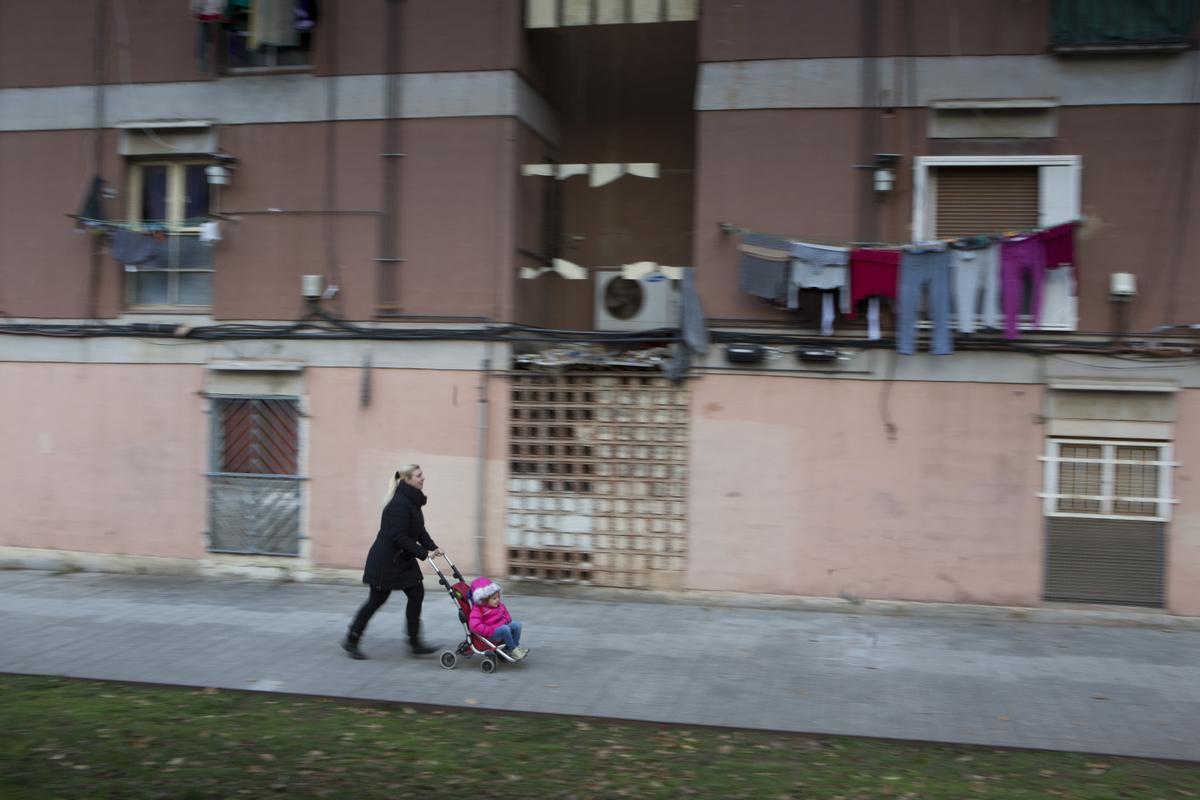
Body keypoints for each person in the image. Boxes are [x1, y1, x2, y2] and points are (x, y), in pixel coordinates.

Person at [342, 464, 442, 659]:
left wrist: (433, 547)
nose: (423, 478)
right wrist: (423, 553)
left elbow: (419, 531)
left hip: (401, 559)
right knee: (376, 600)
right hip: (385, 562)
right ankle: (351, 639)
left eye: (422, 475)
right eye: (419, 475)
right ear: (407, 479)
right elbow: (399, 536)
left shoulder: (412, 502)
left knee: (416, 593)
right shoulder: (399, 504)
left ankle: (415, 642)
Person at [468, 576, 528, 660]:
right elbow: (474, 626)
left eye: (498, 597)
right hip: (490, 635)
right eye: (494, 598)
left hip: (501, 629)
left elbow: (507, 616)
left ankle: (515, 649)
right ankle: (513, 650)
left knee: (517, 625)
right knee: (505, 629)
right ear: (485, 599)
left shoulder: (499, 605)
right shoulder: (478, 610)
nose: (498, 600)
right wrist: (490, 629)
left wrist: (503, 621)